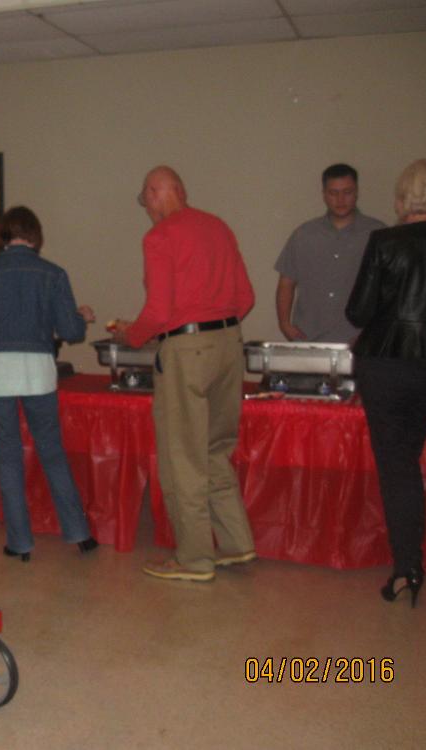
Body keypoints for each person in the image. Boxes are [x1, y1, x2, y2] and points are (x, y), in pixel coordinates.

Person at [111, 167, 256, 582]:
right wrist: (214, 324)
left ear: (157, 194)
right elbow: (245, 297)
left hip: (187, 349)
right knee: (215, 449)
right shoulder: (218, 227)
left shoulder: (160, 237)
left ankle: (194, 558)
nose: (147, 210)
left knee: (183, 455)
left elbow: (158, 312)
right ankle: (236, 542)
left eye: (145, 200)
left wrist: (133, 336)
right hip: (230, 345)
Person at [345, 158, 426, 608]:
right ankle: (408, 561)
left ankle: (407, 567)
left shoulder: (385, 242)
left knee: (398, 469)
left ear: (403, 197)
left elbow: (358, 311)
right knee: (405, 464)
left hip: (386, 366)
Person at [0, 206, 97, 561]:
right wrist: (82, 318)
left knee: (7, 457)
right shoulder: (53, 273)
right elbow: (69, 331)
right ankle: (79, 533)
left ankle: (19, 543)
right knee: (52, 451)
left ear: (4, 235)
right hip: (38, 370)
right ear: (35, 236)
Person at [275, 164, 385, 342]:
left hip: (359, 340)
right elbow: (286, 283)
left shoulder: (378, 234)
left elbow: (387, 290)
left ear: (357, 192)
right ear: (324, 194)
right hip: (309, 337)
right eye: (333, 193)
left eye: (347, 192)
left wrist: (372, 332)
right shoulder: (304, 234)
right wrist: (284, 324)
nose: (340, 200)